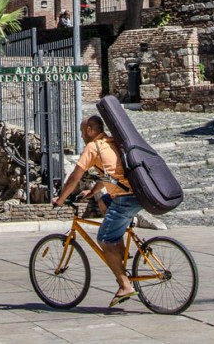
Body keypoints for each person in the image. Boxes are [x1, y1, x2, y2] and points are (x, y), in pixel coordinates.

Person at [52, 115, 141, 306]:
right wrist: (93, 192)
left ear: (91, 129)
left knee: (103, 239)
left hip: (125, 199)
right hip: (136, 194)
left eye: (83, 130)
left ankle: (125, 285)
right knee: (106, 202)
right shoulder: (109, 143)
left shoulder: (93, 147)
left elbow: (75, 177)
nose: (81, 134)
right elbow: (110, 175)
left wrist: (60, 199)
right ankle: (122, 252)